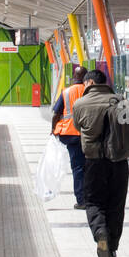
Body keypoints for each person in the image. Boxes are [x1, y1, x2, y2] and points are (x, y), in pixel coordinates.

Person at [72, 68, 128, 257]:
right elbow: (127, 128)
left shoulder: (80, 103)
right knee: (116, 205)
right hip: (119, 162)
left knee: (94, 202)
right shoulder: (121, 101)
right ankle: (112, 249)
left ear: (89, 83)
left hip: (94, 161)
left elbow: (78, 127)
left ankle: (100, 232)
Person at [51, 65, 87, 208]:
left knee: (77, 168)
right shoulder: (90, 91)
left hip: (71, 134)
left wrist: (53, 129)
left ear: (74, 76)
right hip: (89, 134)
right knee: (90, 167)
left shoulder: (66, 92)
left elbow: (56, 114)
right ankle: (92, 198)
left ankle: (81, 200)